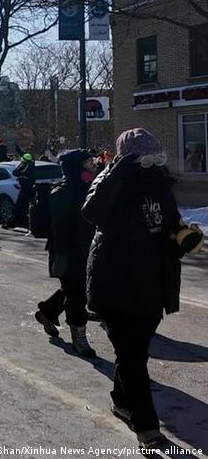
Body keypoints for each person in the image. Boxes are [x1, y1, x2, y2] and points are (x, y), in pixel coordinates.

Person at [82, 128, 192, 449]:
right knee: (132, 358)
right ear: (126, 158)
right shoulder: (109, 182)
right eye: (142, 158)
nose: (150, 163)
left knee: (134, 355)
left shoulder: (160, 184)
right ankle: (147, 428)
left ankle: (121, 401)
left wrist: (183, 240)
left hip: (153, 285)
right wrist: (115, 174)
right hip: (115, 284)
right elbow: (91, 212)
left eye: (154, 157)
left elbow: (171, 227)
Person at [34, 150, 97, 357]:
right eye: (87, 164)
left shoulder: (89, 188)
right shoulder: (62, 192)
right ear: (76, 167)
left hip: (84, 250)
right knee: (77, 294)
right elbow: (63, 228)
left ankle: (47, 311)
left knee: (73, 289)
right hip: (66, 252)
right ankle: (79, 336)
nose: (92, 167)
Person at [4, 153, 36, 229]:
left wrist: (20, 167)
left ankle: (12, 223)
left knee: (18, 207)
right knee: (30, 208)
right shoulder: (32, 166)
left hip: (25, 189)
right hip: (34, 190)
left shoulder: (24, 166)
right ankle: (26, 223)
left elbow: (15, 172)